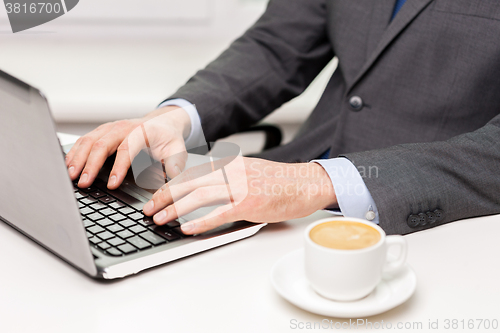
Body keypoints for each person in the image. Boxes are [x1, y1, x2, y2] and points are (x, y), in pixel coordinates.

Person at [65, 0, 500, 236]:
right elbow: (278, 46)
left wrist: (318, 182)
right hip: (282, 192)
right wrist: (175, 118)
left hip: (433, 224)